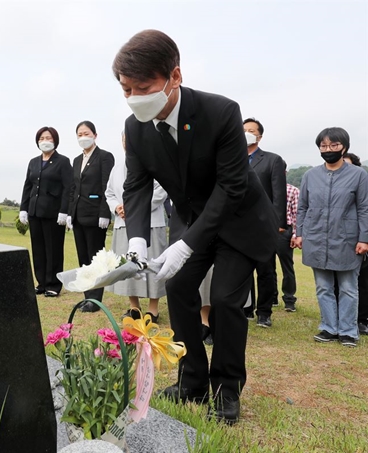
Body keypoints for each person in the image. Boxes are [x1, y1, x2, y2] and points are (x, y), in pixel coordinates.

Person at [114, 29, 278, 424]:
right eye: (125, 88)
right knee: (179, 287)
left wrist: (186, 245)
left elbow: (232, 186)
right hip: (193, 220)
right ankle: (192, 380)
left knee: (223, 299)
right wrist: (137, 239)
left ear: (175, 77)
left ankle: (226, 388)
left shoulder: (220, 112)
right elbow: (136, 185)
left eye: (144, 86)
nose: (135, 97)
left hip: (240, 221)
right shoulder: (136, 128)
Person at [294, 128, 368, 348]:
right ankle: (328, 327)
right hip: (316, 237)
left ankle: (347, 330)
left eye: (333, 145)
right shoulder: (310, 175)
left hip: (347, 238)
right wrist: (299, 233)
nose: (328, 150)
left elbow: (364, 208)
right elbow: (302, 207)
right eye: (324, 146)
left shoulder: (359, 174)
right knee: (323, 287)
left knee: (348, 287)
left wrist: (364, 238)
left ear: (343, 146)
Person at [105, 131, 167, 321]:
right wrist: (117, 207)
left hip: (150, 222)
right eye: (125, 139)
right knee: (128, 264)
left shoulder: (156, 161)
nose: (127, 143)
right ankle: (134, 307)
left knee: (152, 263)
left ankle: (153, 309)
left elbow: (161, 190)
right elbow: (109, 193)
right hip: (124, 223)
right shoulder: (117, 167)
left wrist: (134, 208)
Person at [242, 118, 287, 328]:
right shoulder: (233, 158)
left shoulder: (272, 160)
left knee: (265, 269)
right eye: (244, 131)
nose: (248, 134)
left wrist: (278, 222)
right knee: (241, 269)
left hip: (264, 224)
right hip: (239, 224)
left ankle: (264, 311)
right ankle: (246, 308)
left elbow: (279, 195)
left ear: (259, 136)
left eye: (252, 131)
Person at [67, 120, 115, 313]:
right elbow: (73, 189)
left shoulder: (104, 157)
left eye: (86, 133)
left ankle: (95, 299)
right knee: (83, 258)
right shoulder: (77, 160)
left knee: (96, 258)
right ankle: (86, 296)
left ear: (95, 135)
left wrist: (105, 212)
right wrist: (70, 213)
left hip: (96, 215)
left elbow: (107, 187)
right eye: (79, 134)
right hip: (79, 215)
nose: (82, 137)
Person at [19, 126, 73, 297]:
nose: (45, 141)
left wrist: (65, 211)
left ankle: (53, 285)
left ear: (55, 140)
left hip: (54, 213)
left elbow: (68, 188)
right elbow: (27, 186)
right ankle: (41, 282)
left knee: (53, 249)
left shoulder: (63, 161)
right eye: (42, 138)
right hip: (35, 212)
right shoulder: (33, 162)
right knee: (38, 249)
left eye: (48, 138)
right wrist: (23, 208)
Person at [340, 152, 368, 336]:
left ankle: (361, 320)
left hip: (361, 240)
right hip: (342, 240)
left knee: (362, 281)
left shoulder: (363, 184)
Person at [273, 168, 300, 312]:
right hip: (266, 232)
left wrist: (295, 235)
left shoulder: (293, 190)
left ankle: (289, 299)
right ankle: (272, 297)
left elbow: (297, 214)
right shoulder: (266, 189)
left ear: (285, 172)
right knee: (266, 267)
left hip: (284, 232)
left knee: (287, 266)